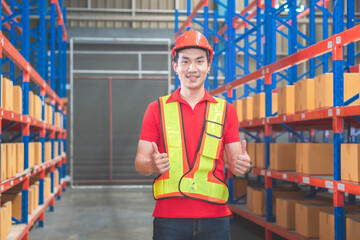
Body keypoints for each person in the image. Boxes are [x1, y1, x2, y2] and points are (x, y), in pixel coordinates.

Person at [135, 29, 252, 240]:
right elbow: (140, 161)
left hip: (215, 219)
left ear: (208, 66)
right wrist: (151, 165)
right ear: (175, 66)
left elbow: (235, 162)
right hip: (169, 220)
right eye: (185, 61)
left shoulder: (226, 111)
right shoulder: (156, 109)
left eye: (199, 61)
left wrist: (243, 165)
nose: (192, 68)